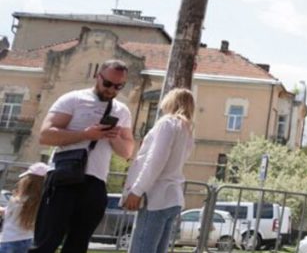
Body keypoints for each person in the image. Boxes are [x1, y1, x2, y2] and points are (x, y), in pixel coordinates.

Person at [30, 59, 134, 253]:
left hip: (95, 182)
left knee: (78, 244)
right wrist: (86, 134)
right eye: (108, 84)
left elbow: (127, 152)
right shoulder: (74, 99)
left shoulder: (121, 110)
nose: (112, 90)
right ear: (98, 77)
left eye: (119, 86)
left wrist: (114, 137)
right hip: (64, 178)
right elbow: (45, 135)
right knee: (46, 242)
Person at [123, 88, 196, 253]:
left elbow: (155, 160)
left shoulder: (167, 123)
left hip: (156, 196)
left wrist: (137, 190)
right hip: (172, 197)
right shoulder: (187, 130)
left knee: (142, 249)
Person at [0, 163, 48, 253]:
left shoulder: (16, 200)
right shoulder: (43, 203)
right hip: (28, 240)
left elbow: (7, 216)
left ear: (27, 182)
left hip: (9, 240)